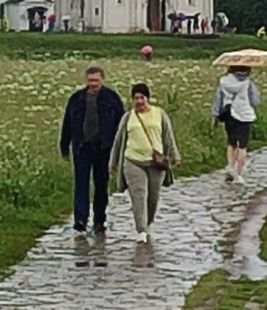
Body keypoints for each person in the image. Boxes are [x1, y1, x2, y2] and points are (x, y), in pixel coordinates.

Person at [109, 83, 181, 243]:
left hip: (156, 163)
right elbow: (119, 140)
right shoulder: (128, 117)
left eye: (142, 97)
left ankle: (149, 222)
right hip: (133, 161)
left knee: (153, 196)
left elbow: (168, 137)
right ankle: (141, 230)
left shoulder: (159, 114)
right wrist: (113, 162)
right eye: (136, 98)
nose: (139, 101)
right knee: (139, 195)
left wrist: (175, 156)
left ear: (148, 98)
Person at [59, 66, 126, 237]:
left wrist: (120, 150)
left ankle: (99, 219)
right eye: (90, 80)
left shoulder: (112, 98)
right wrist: (64, 145)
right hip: (82, 147)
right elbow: (67, 122)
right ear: (86, 80)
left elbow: (122, 125)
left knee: (101, 184)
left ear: (102, 80)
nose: (93, 83)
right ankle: (80, 220)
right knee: (81, 184)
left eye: (96, 80)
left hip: (104, 148)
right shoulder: (76, 99)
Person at [213, 65, 261, 184]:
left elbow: (218, 99)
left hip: (229, 115)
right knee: (242, 146)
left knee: (231, 143)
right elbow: (255, 101)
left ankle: (230, 168)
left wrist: (215, 116)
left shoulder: (223, 82)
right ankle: (237, 173)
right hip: (244, 116)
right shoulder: (248, 83)